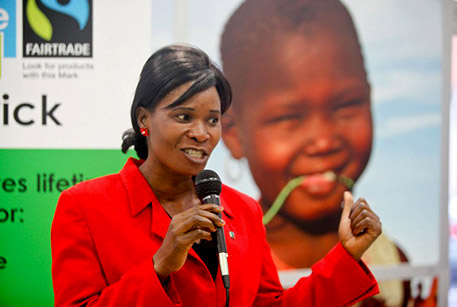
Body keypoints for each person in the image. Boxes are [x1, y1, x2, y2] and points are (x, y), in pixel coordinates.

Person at [51, 44, 382, 306]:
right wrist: (160, 266)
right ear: (144, 119)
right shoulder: (84, 207)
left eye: (212, 119)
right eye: (184, 116)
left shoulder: (244, 211)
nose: (202, 133)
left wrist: (346, 256)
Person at [220, 0, 420, 306]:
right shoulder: (234, 264)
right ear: (234, 134)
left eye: (345, 106)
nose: (323, 142)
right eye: (288, 118)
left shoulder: (392, 259)